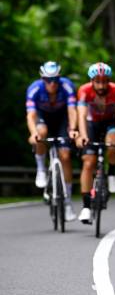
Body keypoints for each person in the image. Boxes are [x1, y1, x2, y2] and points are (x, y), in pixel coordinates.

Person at [26, 61, 78, 221]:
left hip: (62, 120)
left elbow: (72, 110)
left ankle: (68, 202)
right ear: (42, 79)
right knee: (41, 133)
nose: (52, 83)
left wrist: (73, 129)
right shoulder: (34, 89)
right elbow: (31, 115)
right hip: (43, 119)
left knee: (65, 156)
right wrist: (33, 133)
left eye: (55, 79)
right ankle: (41, 169)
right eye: (48, 80)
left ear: (59, 78)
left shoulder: (67, 86)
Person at [76, 62, 115, 223]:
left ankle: (111, 173)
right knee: (88, 162)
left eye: (104, 81)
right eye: (97, 81)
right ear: (91, 81)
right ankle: (85, 206)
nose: (101, 85)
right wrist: (83, 136)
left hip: (110, 123)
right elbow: (82, 117)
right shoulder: (84, 90)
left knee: (112, 143)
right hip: (92, 124)